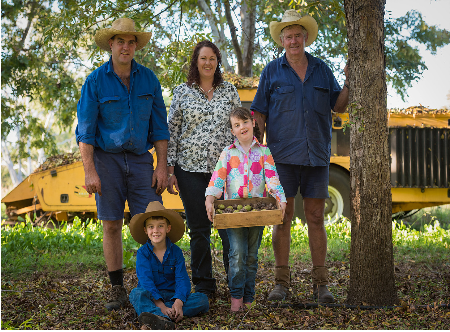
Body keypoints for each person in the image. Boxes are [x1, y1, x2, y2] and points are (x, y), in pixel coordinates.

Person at [250, 9, 349, 303]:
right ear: (282, 40)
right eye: (288, 36)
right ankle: (281, 283)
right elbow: (260, 113)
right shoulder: (271, 71)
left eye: (297, 35)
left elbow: (339, 107)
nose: (293, 40)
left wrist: (350, 82)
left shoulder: (322, 70)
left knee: (316, 217)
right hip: (281, 157)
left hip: (317, 156)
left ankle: (322, 285)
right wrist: (258, 150)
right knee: (282, 218)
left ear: (305, 37)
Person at [75, 18, 170, 310]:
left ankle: (152, 285)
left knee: (152, 221)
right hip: (107, 161)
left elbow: (160, 128)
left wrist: (162, 166)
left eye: (131, 42)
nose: (126, 47)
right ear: (111, 45)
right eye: (120, 42)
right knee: (112, 224)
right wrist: (90, 170)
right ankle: (116, 288)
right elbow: (86, 132)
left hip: (142, 160)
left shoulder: (149, 80)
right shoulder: (94, 81)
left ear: (135, 46)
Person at [167, 40, 241, 297]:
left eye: (212, 58)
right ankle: (204, 285)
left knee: (228, 229)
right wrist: (170, 169)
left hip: (224, 172)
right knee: (199, 230)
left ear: (217, 61)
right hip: (189, 171)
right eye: (203, 58)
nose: (208, 63)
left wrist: (243, 164)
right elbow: (172, 132)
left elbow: (239, 129)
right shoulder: (182, 92)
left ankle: (236, 285)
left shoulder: (230, 91)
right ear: (195, 62)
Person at [205, 107, 287, 312]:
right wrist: (209, 198)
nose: (242, 127)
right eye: (236, 125)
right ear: (232, 131)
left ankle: (249, 298)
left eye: (244, 122)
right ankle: (236, 298)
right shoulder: (228, 153)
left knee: (251, 255)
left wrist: (280, 198)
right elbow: (217, 178)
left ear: (253, 124)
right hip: (233, 214)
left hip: (257, 212)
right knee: (237, 254)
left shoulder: (263, 152)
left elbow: (272, 178)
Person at [128, 201, 209, 329]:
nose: (155, 231)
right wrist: (161, 306)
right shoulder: (143, 253)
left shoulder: (176, 252)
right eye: (151, 227)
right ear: (145, 230)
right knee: (136, 294)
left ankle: (161, 316)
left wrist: (178, 303)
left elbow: (182, 279)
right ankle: (163, 316)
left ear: (168, 228)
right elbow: (146, 282)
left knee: (202, 299)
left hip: (172, 297)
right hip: (152, 298)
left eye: (160, 226)